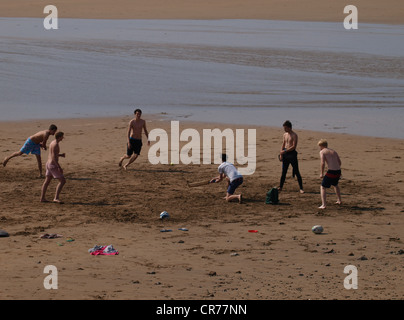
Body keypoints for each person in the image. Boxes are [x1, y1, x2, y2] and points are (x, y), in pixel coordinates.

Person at [278, 120, 304, 193]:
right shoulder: (285, 134)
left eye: (285, 128)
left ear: (289, 127)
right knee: (284, 172)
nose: (284, 129)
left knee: (296, 171)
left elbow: (294, 146)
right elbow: (283, 144)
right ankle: (280, 186)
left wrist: (285, 151)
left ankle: (301, 188)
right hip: (285, 154)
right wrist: (281, 153)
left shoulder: (294, 135)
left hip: (292, 154)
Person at [40, 132, 66, 203]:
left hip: (48, 164)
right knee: (63, 181)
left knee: (47, 181)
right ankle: (56, 198)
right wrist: (59, 167)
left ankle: (42, 198)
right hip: (52, 165)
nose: (63, 138)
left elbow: (52, 154)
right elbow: (54, 157)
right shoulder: (56, 145)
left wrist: (60, 155)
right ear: (59, 137)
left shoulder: (52, 142)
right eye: (62, 137)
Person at [318, 139, 342, 209]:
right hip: (338, 171)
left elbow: (322, 163)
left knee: (323, 187)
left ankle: (324, 204)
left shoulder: (322, 151)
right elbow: (339, 162)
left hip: (331, 171)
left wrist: (321, 173)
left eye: (320, 146)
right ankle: (339, 200)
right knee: (335, 184)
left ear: (322, 146)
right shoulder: (333, 151)